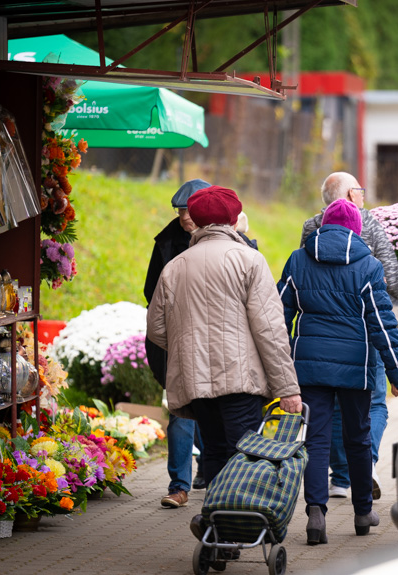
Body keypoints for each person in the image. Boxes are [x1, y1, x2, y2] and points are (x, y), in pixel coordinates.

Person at [145, 185, 303, 537]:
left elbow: (155, 328)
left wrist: (188, 345)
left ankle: (215, 527)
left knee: (214, 452)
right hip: (240, 380)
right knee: (244, 455)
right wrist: (288, 389)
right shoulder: (249, 259)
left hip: (195, 382)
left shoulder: (175, 266)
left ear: (197, 219)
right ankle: (236, 530)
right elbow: (270, 330)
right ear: (233, 219)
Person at [280, 198, 398, 544]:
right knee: (357, 437)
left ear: (323, 225)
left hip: (309, 367)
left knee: (316, 439)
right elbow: (383, 325)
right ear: (356, 228)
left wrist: (277, 369)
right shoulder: (368, 266)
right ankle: (362, 511)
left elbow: (279, 315)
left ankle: (315, 514)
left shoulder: (298, 259)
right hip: (357, 369)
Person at [300, 171, 398, 500]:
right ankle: (364, 468)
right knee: (375, 403)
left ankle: (337, 483)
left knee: (329, 415)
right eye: (361, 189)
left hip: (317, 340)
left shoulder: (311, 227)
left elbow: (303, 280)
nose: (364, 195)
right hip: (363, 333)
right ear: (351, 194)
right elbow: (391, 277)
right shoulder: (369, 223)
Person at [143, 178, 211, 509]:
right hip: (180, 339)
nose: (184, 216)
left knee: (211, 412)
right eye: (180, 210)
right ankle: (179, 486)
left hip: (217, 341)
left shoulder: (232, 241)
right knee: (182, 412)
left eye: (189, 209)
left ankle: (212, 474)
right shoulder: (167, 242)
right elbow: (150, 292)